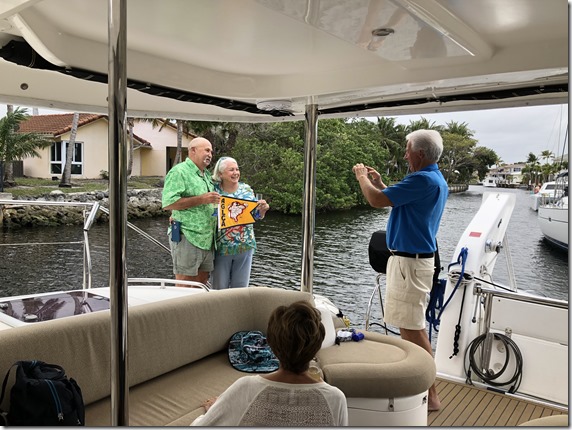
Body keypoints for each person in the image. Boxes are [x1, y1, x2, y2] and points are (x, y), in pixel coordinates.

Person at [352, 129, 447, 412]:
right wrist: (380, 183)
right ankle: (423, 389)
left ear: (420, 154)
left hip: (410, 264)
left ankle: (431, 394)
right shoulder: (433, 178)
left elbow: (376, 200)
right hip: (412, 262)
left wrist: (362, 177)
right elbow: (395, 198)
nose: (405, 155)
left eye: (407, 150)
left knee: (413, 330)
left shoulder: (422, 179)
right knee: (410, 327)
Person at [191, 301, 348, 426]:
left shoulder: (245, 389)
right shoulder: (335, 398)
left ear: (271, 346)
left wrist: (215, 410)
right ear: (317, 347)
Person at [162, 137, 220, 285]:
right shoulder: (179, 172)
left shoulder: (206, 174)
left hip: (207, 239)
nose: (210, 154)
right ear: (193, 150)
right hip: (187, 236)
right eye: (206, 150)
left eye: (211, 152)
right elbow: (168, 203)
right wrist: (202, 199)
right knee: (185, 283)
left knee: (202, 282)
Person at [211, 157, 269, 289]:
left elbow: (256, 216)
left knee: (241, 289)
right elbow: (207, 213)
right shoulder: (214, 191)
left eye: (237, 169)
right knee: (219, 289)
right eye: (231, 170)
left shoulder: (246, 189)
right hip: (222, 247)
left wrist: (263, 210)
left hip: (245, 246)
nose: (236, 173)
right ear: (220, 174)